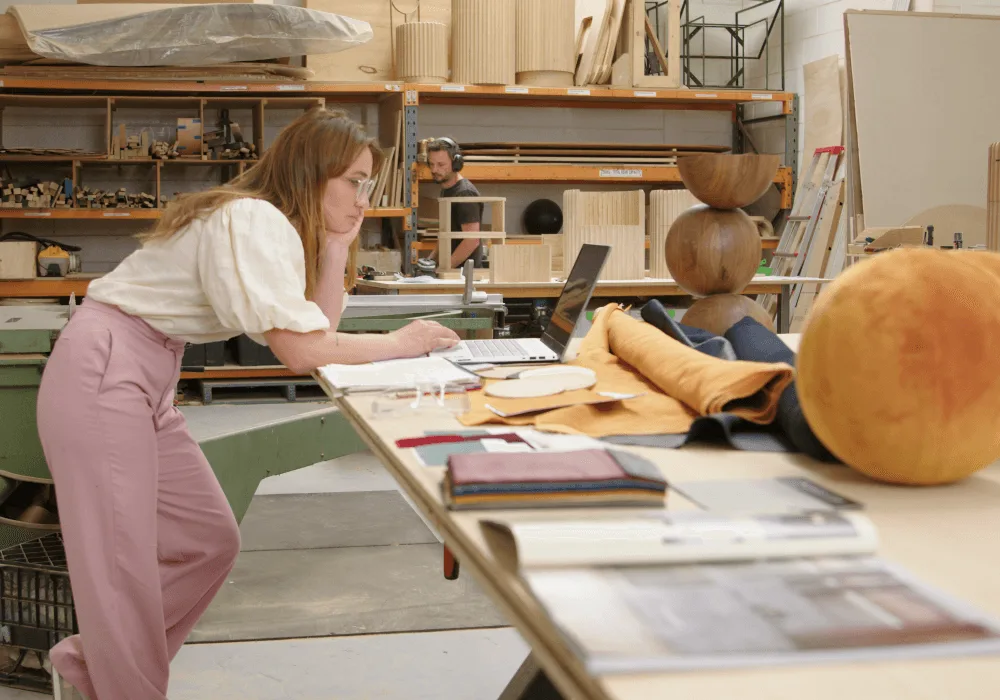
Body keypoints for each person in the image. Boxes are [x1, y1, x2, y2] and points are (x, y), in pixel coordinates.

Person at [35, 108, 460, 700]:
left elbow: (318, 330)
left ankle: (90, 664)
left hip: (148, 374)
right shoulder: (254, 218)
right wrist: (401, 342)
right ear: (312, 173)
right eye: (354, 182)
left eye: (367, 184)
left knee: (208, 539)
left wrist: (337, 244)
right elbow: (300, 352)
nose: (364, 197)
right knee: (120, 570)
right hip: (108, 367)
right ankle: (119, 683)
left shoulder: (268, 223)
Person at [426, 137, 484, 268]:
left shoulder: (465, 193)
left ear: (456, 163)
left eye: (441, 165)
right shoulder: (447, 190)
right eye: (431, 164)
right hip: (452, 271)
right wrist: (430, 261)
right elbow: (445, 235)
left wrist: (444, 268)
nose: (434, 170)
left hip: (464, 275)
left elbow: (472, 240)